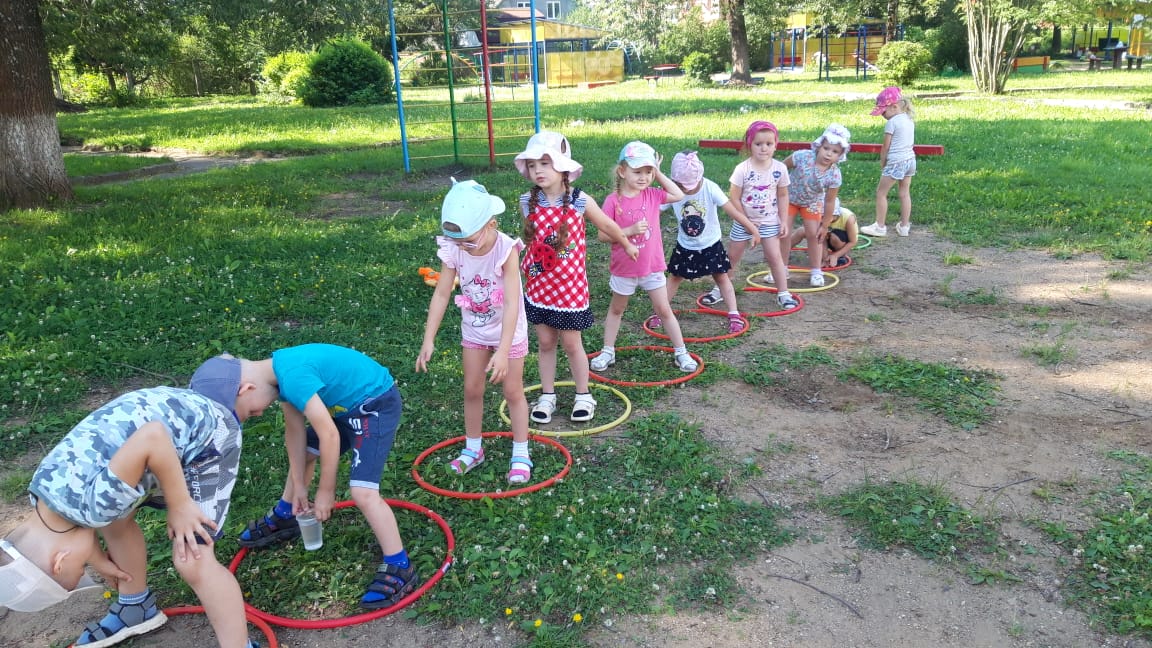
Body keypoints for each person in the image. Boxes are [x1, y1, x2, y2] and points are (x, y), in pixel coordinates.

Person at [0, 355, 279, 648]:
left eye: (83, 567)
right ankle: (136, 607)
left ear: (59, 562)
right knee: (114, 519)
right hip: (168, 410)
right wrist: (100, 561)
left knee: (193, 557)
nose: (88, 568)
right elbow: (77, 532)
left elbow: (153, 437)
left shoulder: (93, 507)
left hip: (208, 435)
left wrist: (180, 505)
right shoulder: (43, 493)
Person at [234, 344, 418, 610]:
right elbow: (294, 433)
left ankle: (400, 565)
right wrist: (299, 485)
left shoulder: (292, 377)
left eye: (251, 411)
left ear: (246, 389)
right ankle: (286, 513)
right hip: (343, 409)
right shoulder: (280, 374)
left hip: (374, 404)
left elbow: (329, 435)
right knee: (304, 454)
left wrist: (325, 491)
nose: (259, 414)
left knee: (362, 492)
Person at [515, 131, 638, 424]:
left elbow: (607, 224)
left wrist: (626, 242)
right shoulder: (527, 201)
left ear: (562, 166)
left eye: (545, 163)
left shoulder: (579, 200)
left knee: (572, 344)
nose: (538, 170)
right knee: (545, 342)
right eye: (532, 165)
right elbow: (533, 241)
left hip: (569, 289)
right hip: (539, 286)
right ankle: (547, 395)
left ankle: (583, 395)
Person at [416, 179, 533, 483]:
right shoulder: (456, 248)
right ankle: (473, 449)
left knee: (512, 391)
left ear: (490, 224)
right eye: (457, 242)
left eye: (467, 241)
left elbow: (512, 303)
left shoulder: (506, 250)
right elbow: (442, 293)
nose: (462, 247)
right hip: (475, 330)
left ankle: (521, 452)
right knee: (471, 389)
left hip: (508, 330)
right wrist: (429, 338)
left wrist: (503, 351)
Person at [590, 141, 697, 373]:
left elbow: (678, 194)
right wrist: (628, 231)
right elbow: (602, 235)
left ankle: (681, 352)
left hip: (652, 267)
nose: (644, 177)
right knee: (617, 309)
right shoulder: (612, 201)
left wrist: (659, 173)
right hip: (624, 269)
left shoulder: (653, 195)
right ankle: (608, 351)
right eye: (638, 171)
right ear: (622, 171)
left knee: (664, 310)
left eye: (648, 172)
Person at [703, 120, 798, 310]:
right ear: (749, 145)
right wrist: (746, 221)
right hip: (743, 223)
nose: (764, 148)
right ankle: (719, 290)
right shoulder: (742, 169)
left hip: (769, 222)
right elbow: (734, 197)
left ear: (776, 145)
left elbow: (783, 195)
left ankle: (783, 293)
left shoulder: (780, 169)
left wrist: (783, 220)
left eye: (769, 144)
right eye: (758, 144)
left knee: (775, 257)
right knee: (732, 257)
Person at [663, 150, 756, 333]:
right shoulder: (672, 191)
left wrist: (752, 228)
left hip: (710, 245)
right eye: (682, 186)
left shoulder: (710, 188)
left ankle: (734, 314)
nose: (687, 190)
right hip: (685, 246)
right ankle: (661, 311)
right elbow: (654, 209)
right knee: (674, 277)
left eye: (691, 185)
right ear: (674, 180)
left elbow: (732, 211)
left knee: (721, 277)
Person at [782, 123, 850, 287]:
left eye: (835, 151)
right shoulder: (802, 157)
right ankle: (780, 268)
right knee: (784, 233)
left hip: (812, 203)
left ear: (840, 155)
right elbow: (781, 168)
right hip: (789, 198)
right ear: (819, 146)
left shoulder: (834, 174)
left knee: (815, 235)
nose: (829, 153)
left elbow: (829, 201)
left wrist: (825, 225)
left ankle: (816, 271)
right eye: (826, 148)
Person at [861, 86, 916, 238]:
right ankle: (904, 227)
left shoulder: (892, 122)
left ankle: (879, 226)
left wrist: (883, 162)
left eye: (883, 112)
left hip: (896, 162)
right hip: (910, 161)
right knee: (904, 193)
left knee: (881, 193)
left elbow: (886, 146)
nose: (882, 115)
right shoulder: (909, 120)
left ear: (894, 106)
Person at [788, 204, 859, 269]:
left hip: (841, 241)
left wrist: (835, 255)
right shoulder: (821, 217)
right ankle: (784, 251)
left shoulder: (848, 218)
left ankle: (840, 256)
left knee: (834, 237)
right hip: (825, 238)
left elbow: (852, 242)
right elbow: (821, 236)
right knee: (801, 231)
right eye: (820, 216)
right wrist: (825, 258)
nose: (821, 219)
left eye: (823, 217)